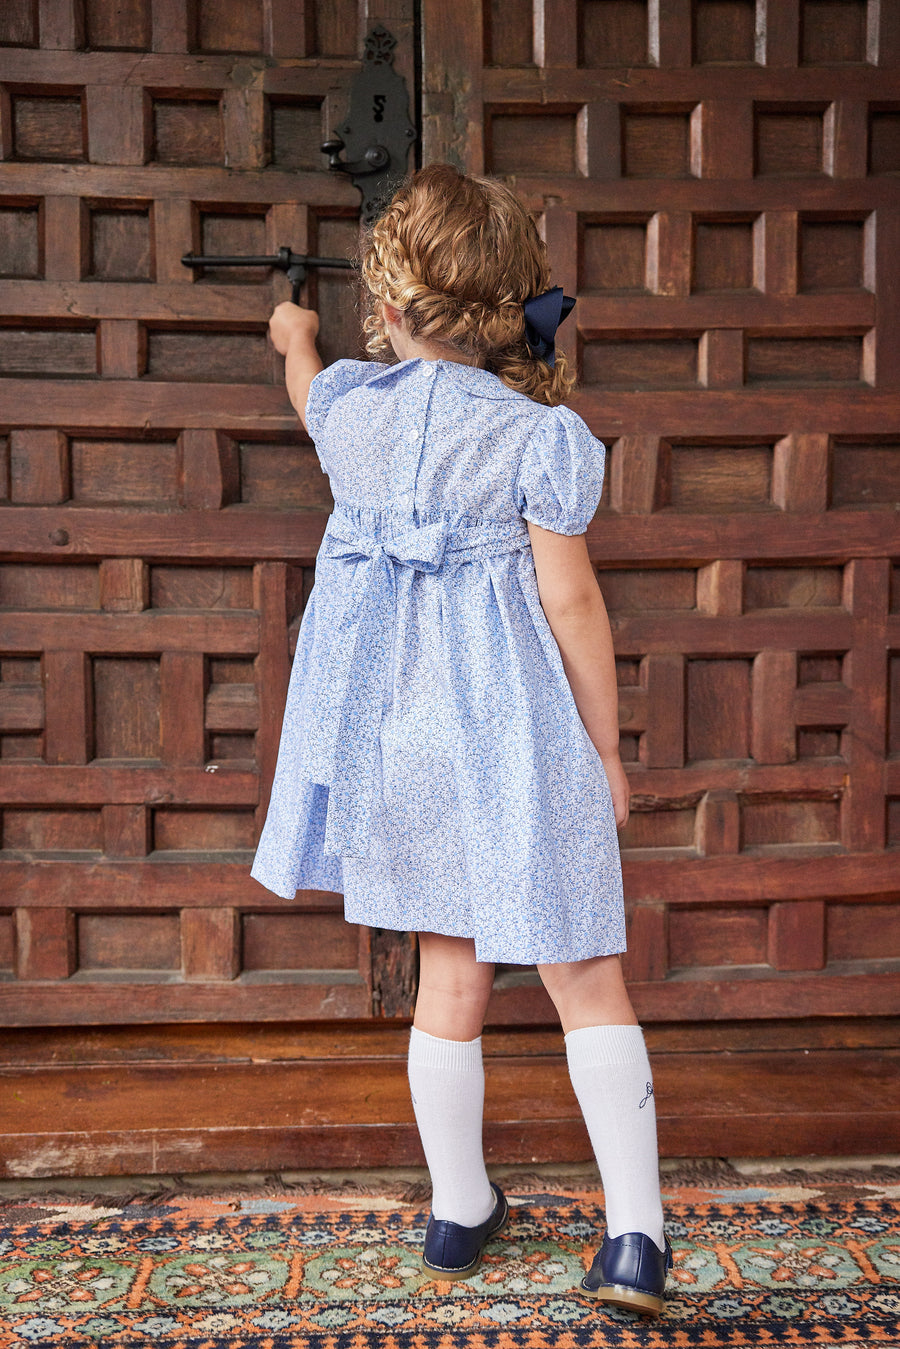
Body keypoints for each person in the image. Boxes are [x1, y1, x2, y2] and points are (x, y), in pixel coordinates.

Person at [251, 163, 671, 1318]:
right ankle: (634, 1234)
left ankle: (456, 1205)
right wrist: (609, 748)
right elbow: (575, 606)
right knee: (585, 971)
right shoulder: (540, 434)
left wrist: (292, 331)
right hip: (523, 736)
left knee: (451, 977)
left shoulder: (345, 408)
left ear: (384, 309)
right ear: (505, 306)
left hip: (408, 744)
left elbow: (304, 384)